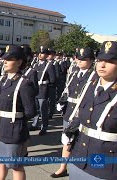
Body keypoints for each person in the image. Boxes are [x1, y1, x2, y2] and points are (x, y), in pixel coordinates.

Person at [65, 41, 117, 180]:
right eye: (100, 60)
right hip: (79, 155)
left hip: (104, 159)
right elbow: (82, 113)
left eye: (110, 61)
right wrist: (71, 129)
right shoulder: (91, 85)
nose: (102, 65)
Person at [0, 45, 36, 180]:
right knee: (0, 162)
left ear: (19, 62)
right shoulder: (2, 80)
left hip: (13, 131)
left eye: (9, 59)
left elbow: (30, 112)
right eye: (4, 59)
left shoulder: (24, 83)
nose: (5, 61)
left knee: (16, 166)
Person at [51, 47, 96, 178]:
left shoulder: (94, 76)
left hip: (83, 114)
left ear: (91, 61)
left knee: (82, 144)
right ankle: (62, 167)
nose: (80, 61)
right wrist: (62, 101)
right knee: (66, 141)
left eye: (84, 59)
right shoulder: (74, 73)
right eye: (78, 58)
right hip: (70, 112)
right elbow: (68, 89)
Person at [30, 46, 56, 136]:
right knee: (36, 108)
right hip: (35, 89)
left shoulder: (49, 65)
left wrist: (47, 86)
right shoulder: (35, 65)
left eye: (43, 53)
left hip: (43, 90)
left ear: (46, 55)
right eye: (39, 53)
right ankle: (35, 124)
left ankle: (44, 127)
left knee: (43, 110)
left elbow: (53, 79)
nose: (40, 55)